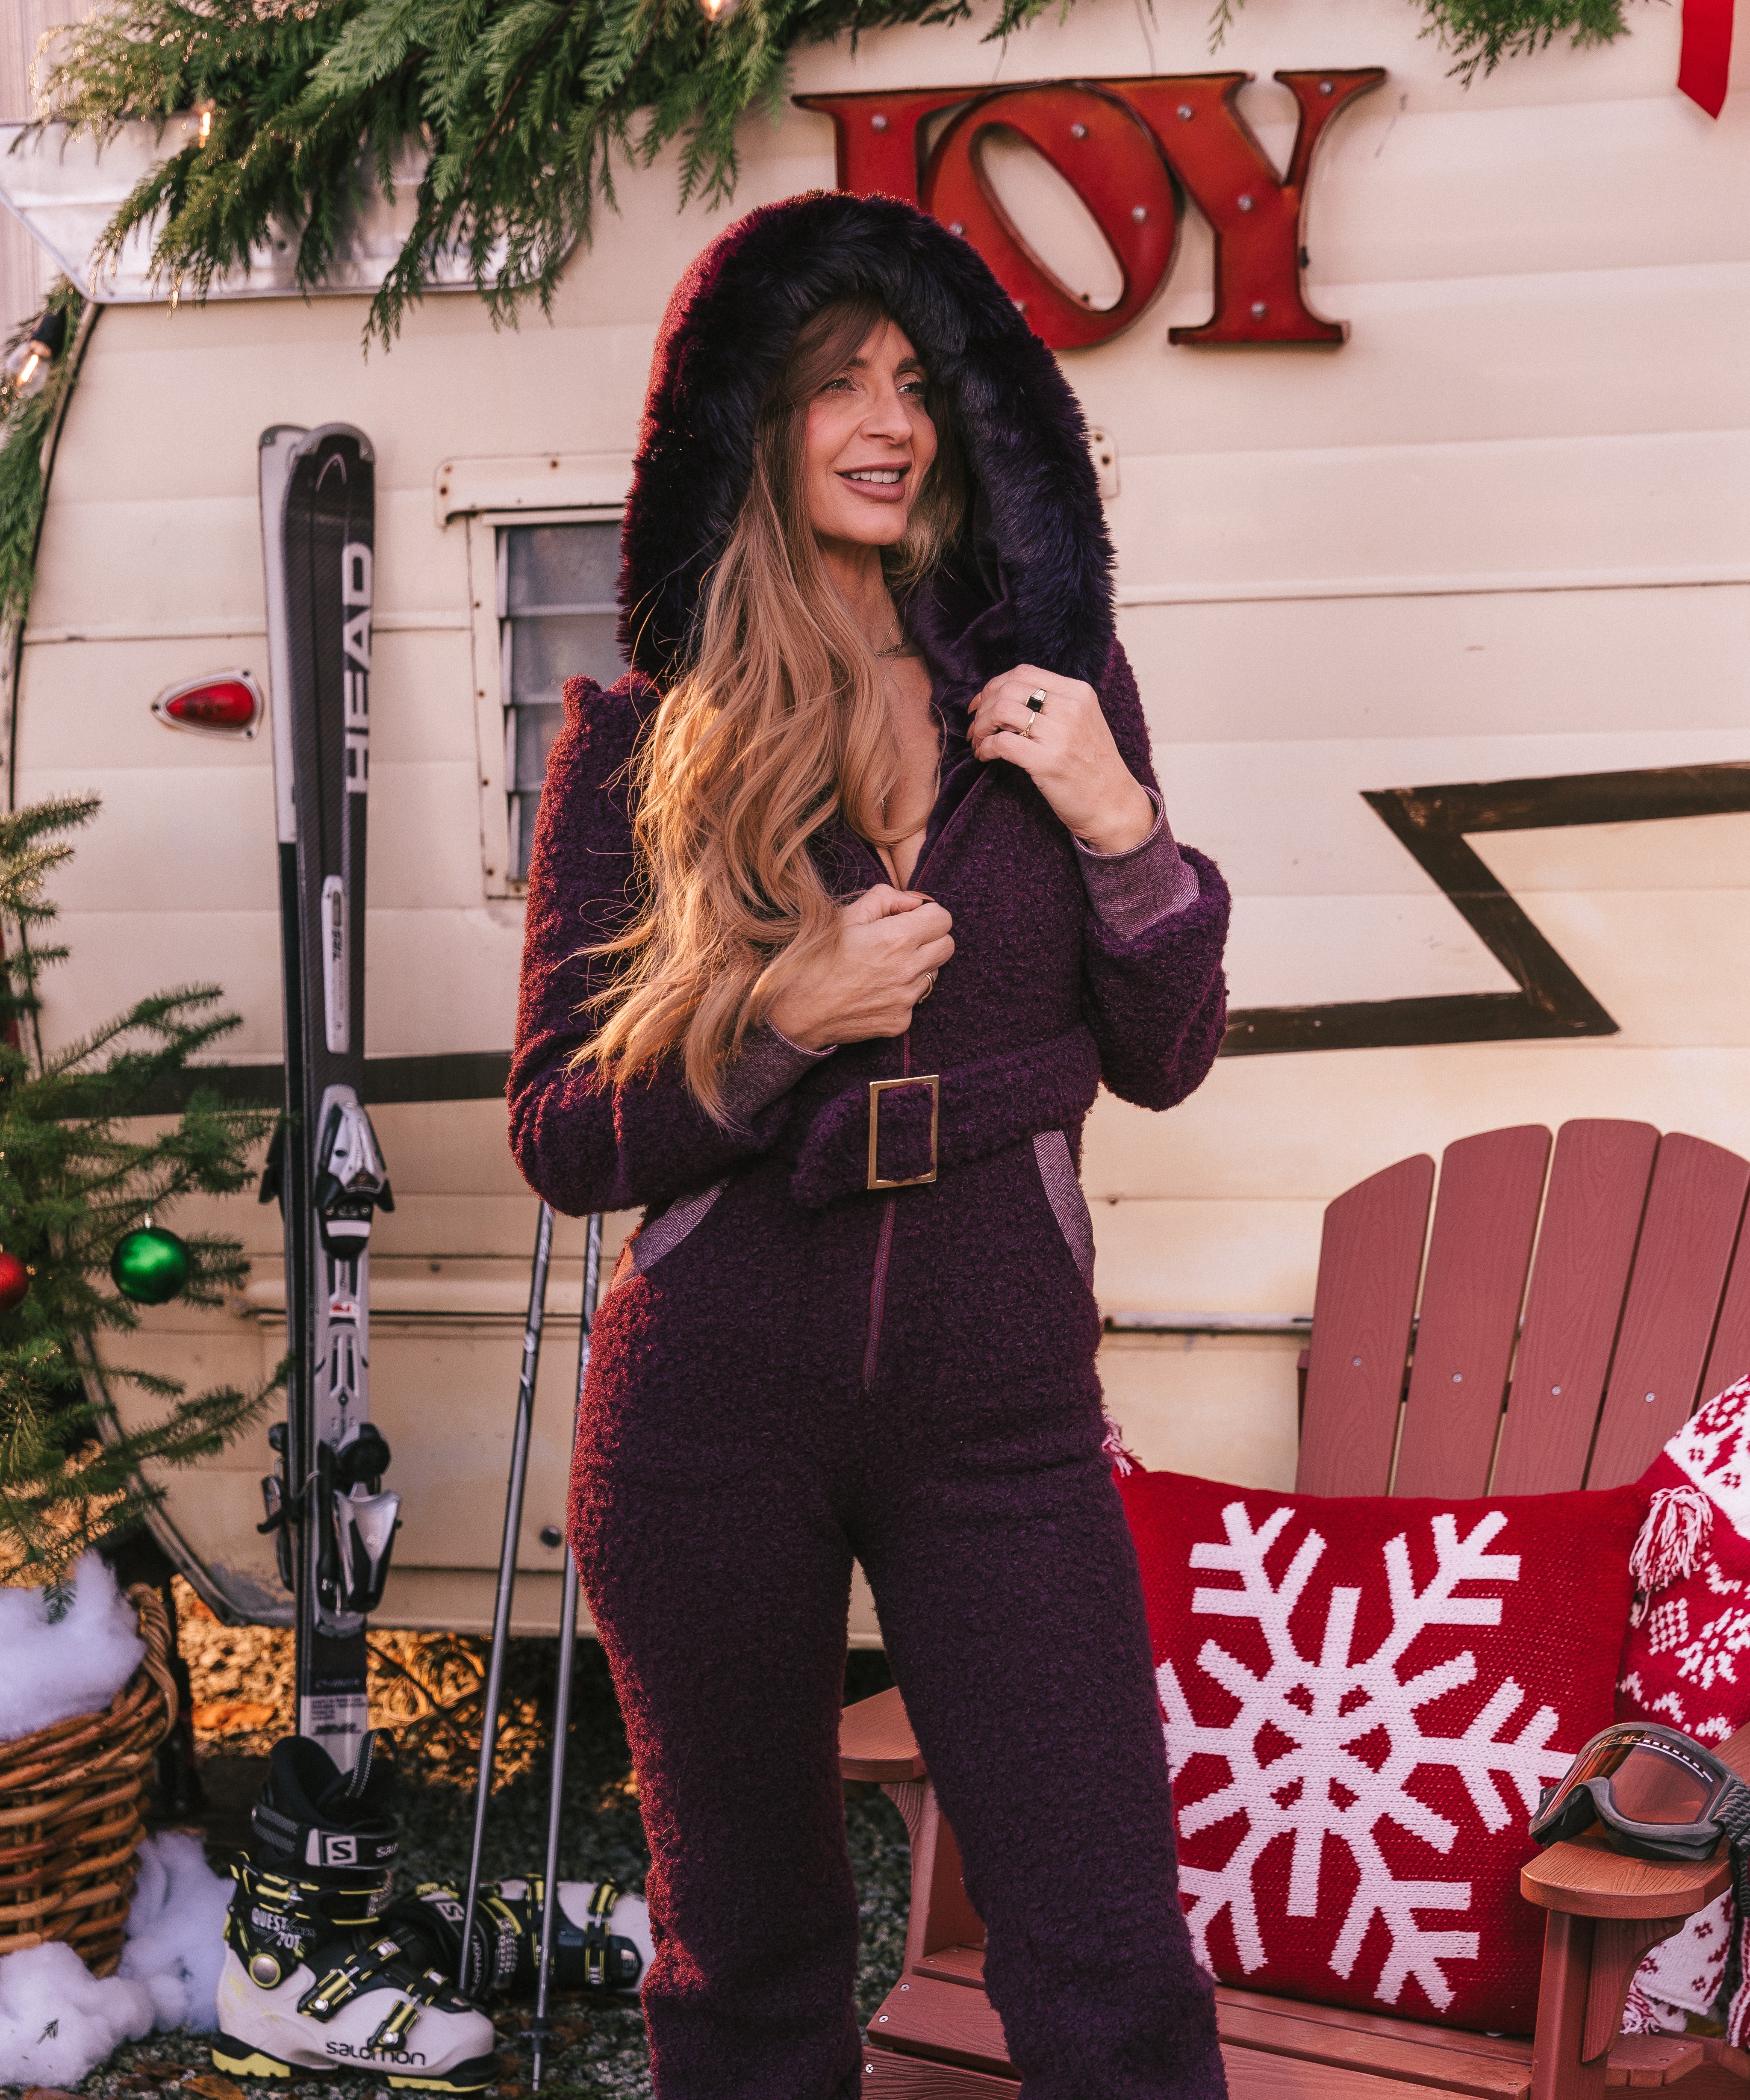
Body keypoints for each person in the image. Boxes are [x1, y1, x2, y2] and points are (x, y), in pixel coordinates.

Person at [510, 191, 1231, 2100]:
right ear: (754, 417)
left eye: (915, 379)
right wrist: (775, 1027)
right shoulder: (640, 745)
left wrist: (1119, 825)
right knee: (746, 1963)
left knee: (1105, 1949)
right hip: (706, 1407)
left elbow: (1166, 1054)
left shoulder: (1052, 705)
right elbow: (562, 1135)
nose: (884, 420)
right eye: (834, 380)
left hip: (997, 1405)